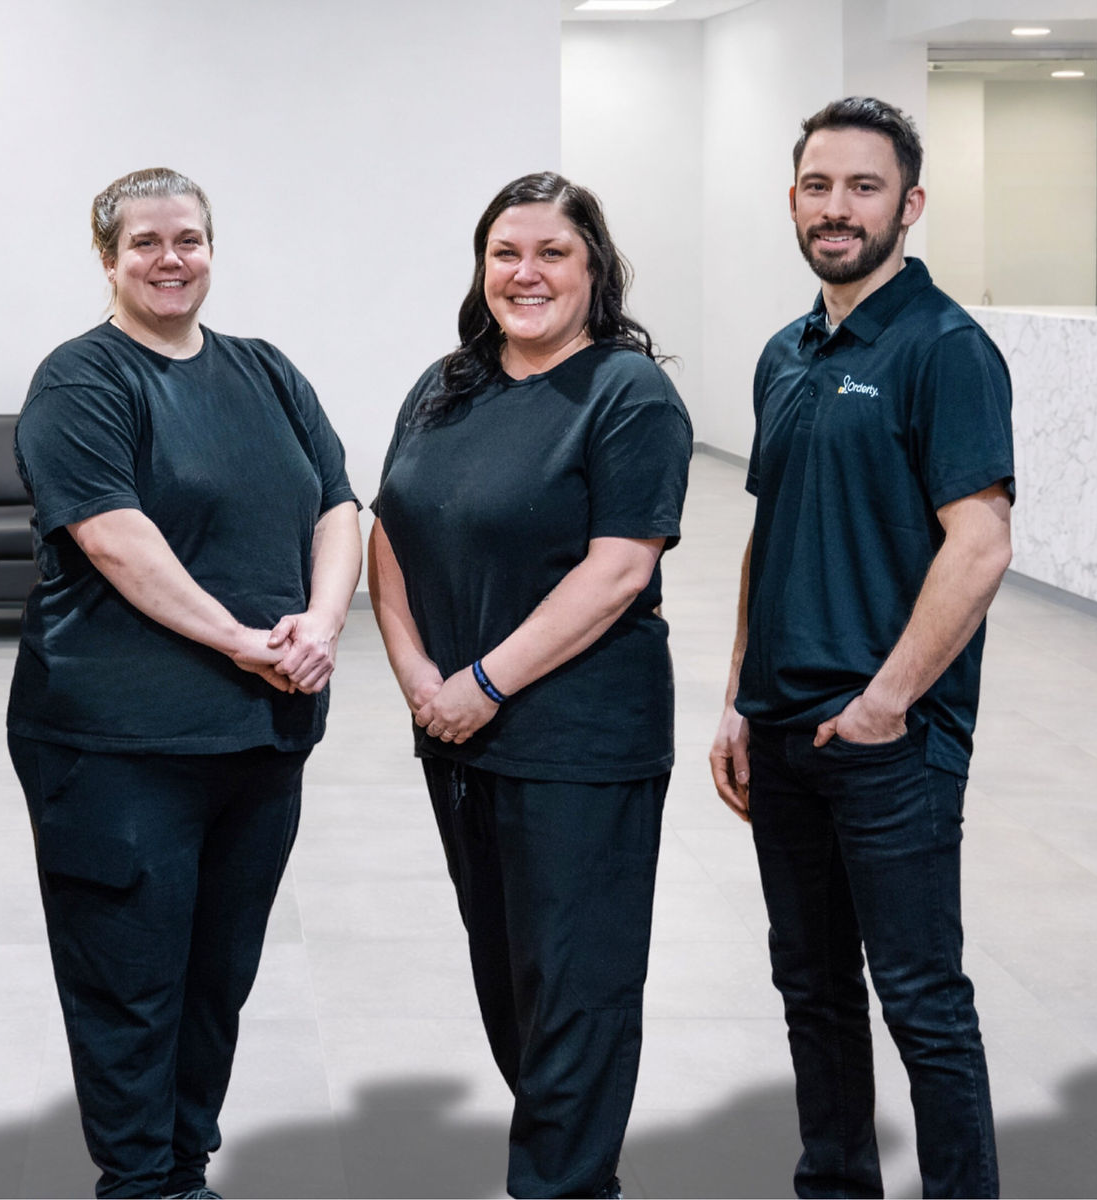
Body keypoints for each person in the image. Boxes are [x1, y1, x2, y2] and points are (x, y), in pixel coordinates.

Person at [8, 167, 361, 1199]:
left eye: (190, 239)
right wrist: (245, 642)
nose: (172, 259)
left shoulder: (266, 370)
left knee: (217, 981)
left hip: (260, 740)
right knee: (132, 984)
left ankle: (183, 1168)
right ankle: (139, 1180)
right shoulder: (83, 380)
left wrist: (325, 622)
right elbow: (117, 540)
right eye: (147, 243)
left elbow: (338, 505)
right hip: (121, 749)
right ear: (108, 257)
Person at [708, 96, 1011, 1199]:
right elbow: (769, 528)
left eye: (865, 187)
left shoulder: (945, 348)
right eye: (820, 187)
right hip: (785, 733)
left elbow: (979, 545)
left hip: (893, 742)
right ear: (794, 200)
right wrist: (742, 694)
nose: (839, 209)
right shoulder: (785, 356)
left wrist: (886, 703)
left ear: (910, 204)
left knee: (922, 1001)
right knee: (814, 991)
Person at [370, 172, 692, 1199]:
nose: (526, 273)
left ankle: (561, 1186)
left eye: (553, 252)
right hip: (460, 735)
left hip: (579, 738)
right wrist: (421, 674)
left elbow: (619, 569)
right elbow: (391, 530)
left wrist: (482, 682)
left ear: (595, 269)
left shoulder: (627, 392)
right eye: (506, 252)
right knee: (512, 979)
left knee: (575, 990)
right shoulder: (446, 384)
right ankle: (566, 1173)